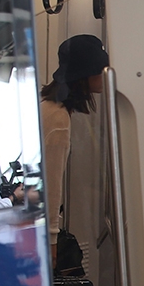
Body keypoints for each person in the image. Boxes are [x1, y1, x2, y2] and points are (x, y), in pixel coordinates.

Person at [41, 34, 109, 254]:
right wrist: (52, 239)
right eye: (101, 69)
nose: (104, 75)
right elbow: (51, 184)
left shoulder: (51, 107)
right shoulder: (58, 118)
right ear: (85, 75)